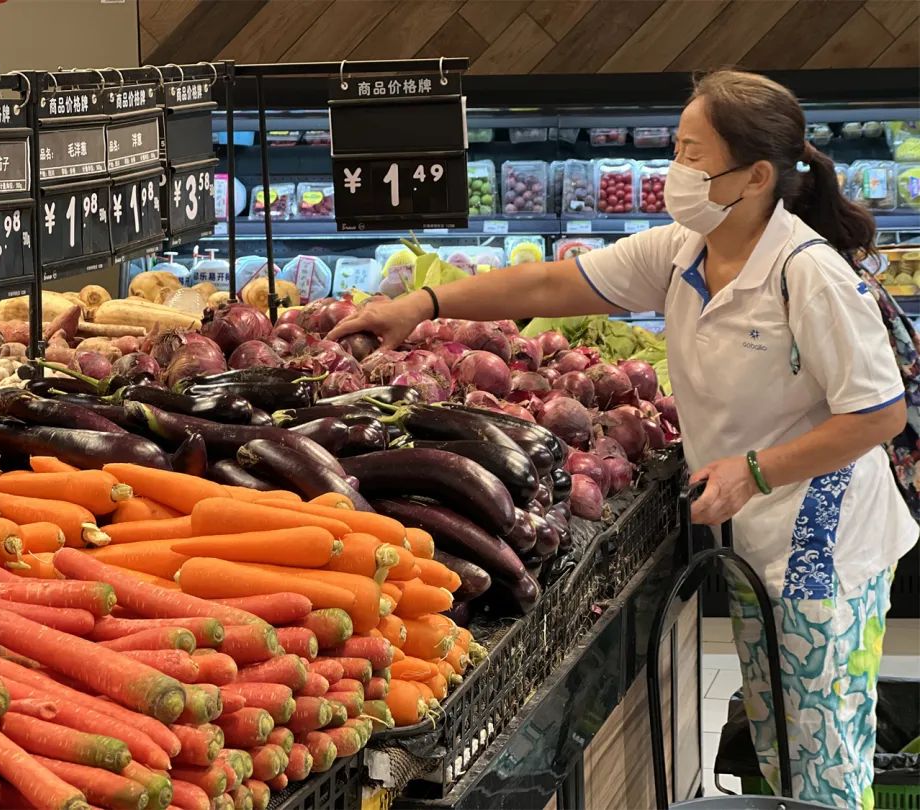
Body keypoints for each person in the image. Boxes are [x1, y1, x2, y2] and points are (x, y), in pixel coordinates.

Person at [329, 69, 917, 809]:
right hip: (759, 537)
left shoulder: (808, 273)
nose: (675, 168)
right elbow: (550, 287)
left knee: (825, 764)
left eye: (690, 152)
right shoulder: (684, 249)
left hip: (823, 549)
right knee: (782, 752)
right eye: (677, 145)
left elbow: (878, 414)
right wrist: (419, 303)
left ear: (755, 175)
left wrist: (755, 473)